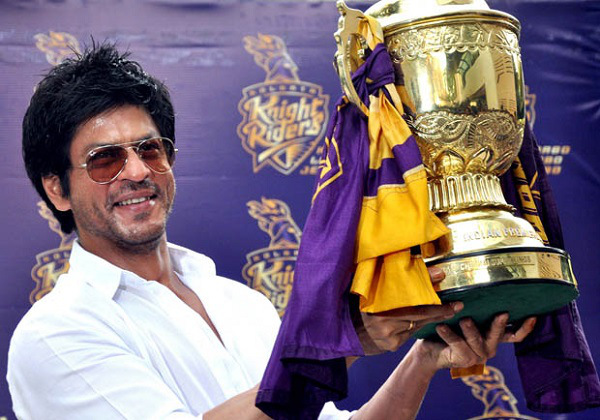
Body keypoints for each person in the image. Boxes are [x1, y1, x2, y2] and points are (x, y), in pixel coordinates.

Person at [7, 43, 535, 419]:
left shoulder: (241, 302)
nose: (138, 171)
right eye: (105, 160)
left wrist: (423, 358)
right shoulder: (55, 335)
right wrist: (335, 344)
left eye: (150, 149)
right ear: (57, 190)